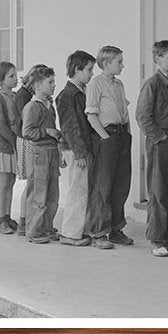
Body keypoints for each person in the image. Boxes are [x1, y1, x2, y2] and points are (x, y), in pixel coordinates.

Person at [135, 40, 168, 257]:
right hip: (160, 143)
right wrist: (160, 137)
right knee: (158, 191)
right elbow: (142, 117)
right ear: (158, 59)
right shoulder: (152, 84)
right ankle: (156, 239)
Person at [85, 45, 132, 249]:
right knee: (103, 186)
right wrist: (105, 138)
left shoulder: (119, 84)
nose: (122, 65)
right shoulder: (96, 84)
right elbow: (91, 114)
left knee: (121, 185)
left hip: (122, 136)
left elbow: (124, 110)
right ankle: (99, 232)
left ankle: (116, 229)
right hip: (107, 136)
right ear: (106, 63)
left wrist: (128, 133)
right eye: (119, 62)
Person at [55, 50, 95, 247]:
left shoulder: (81, 93)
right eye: (88, 70)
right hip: (75, 150)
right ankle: (70, 234)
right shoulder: (67, 96)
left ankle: (80, 231)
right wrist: (79, 152)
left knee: (83, 190)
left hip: (82, 149)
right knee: (77, 192)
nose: (91, 73)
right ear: (77, 70)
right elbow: (70, 127)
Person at [21, 66, 62, 243]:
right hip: (39, 154)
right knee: (38, 193)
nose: (53, 85)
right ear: (37, 85)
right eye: (50, 82)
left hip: (52, 152)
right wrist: (47, 132)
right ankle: (34, 230)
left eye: (54, 82)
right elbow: (27, 132)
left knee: (52, 193)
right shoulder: (32, 107)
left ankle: (47, 227)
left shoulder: (49, 105)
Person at [13, 65, 44, 236]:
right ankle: (24, 220)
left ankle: (30, 219)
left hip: (32, 140)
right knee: (31, 182)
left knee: (34, 183)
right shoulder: (24, 97)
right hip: (27, 141)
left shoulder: (29, 96)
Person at [0, 61, 20, 235]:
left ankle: (8, 216)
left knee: (11, 181)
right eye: (11, 76)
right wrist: (13, 140)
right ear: (1, 79)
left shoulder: (15, 96)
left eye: (15, 75)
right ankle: (1, 219)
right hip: (4, 145)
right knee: (3, 182)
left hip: (14, 144)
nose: (15, 79)